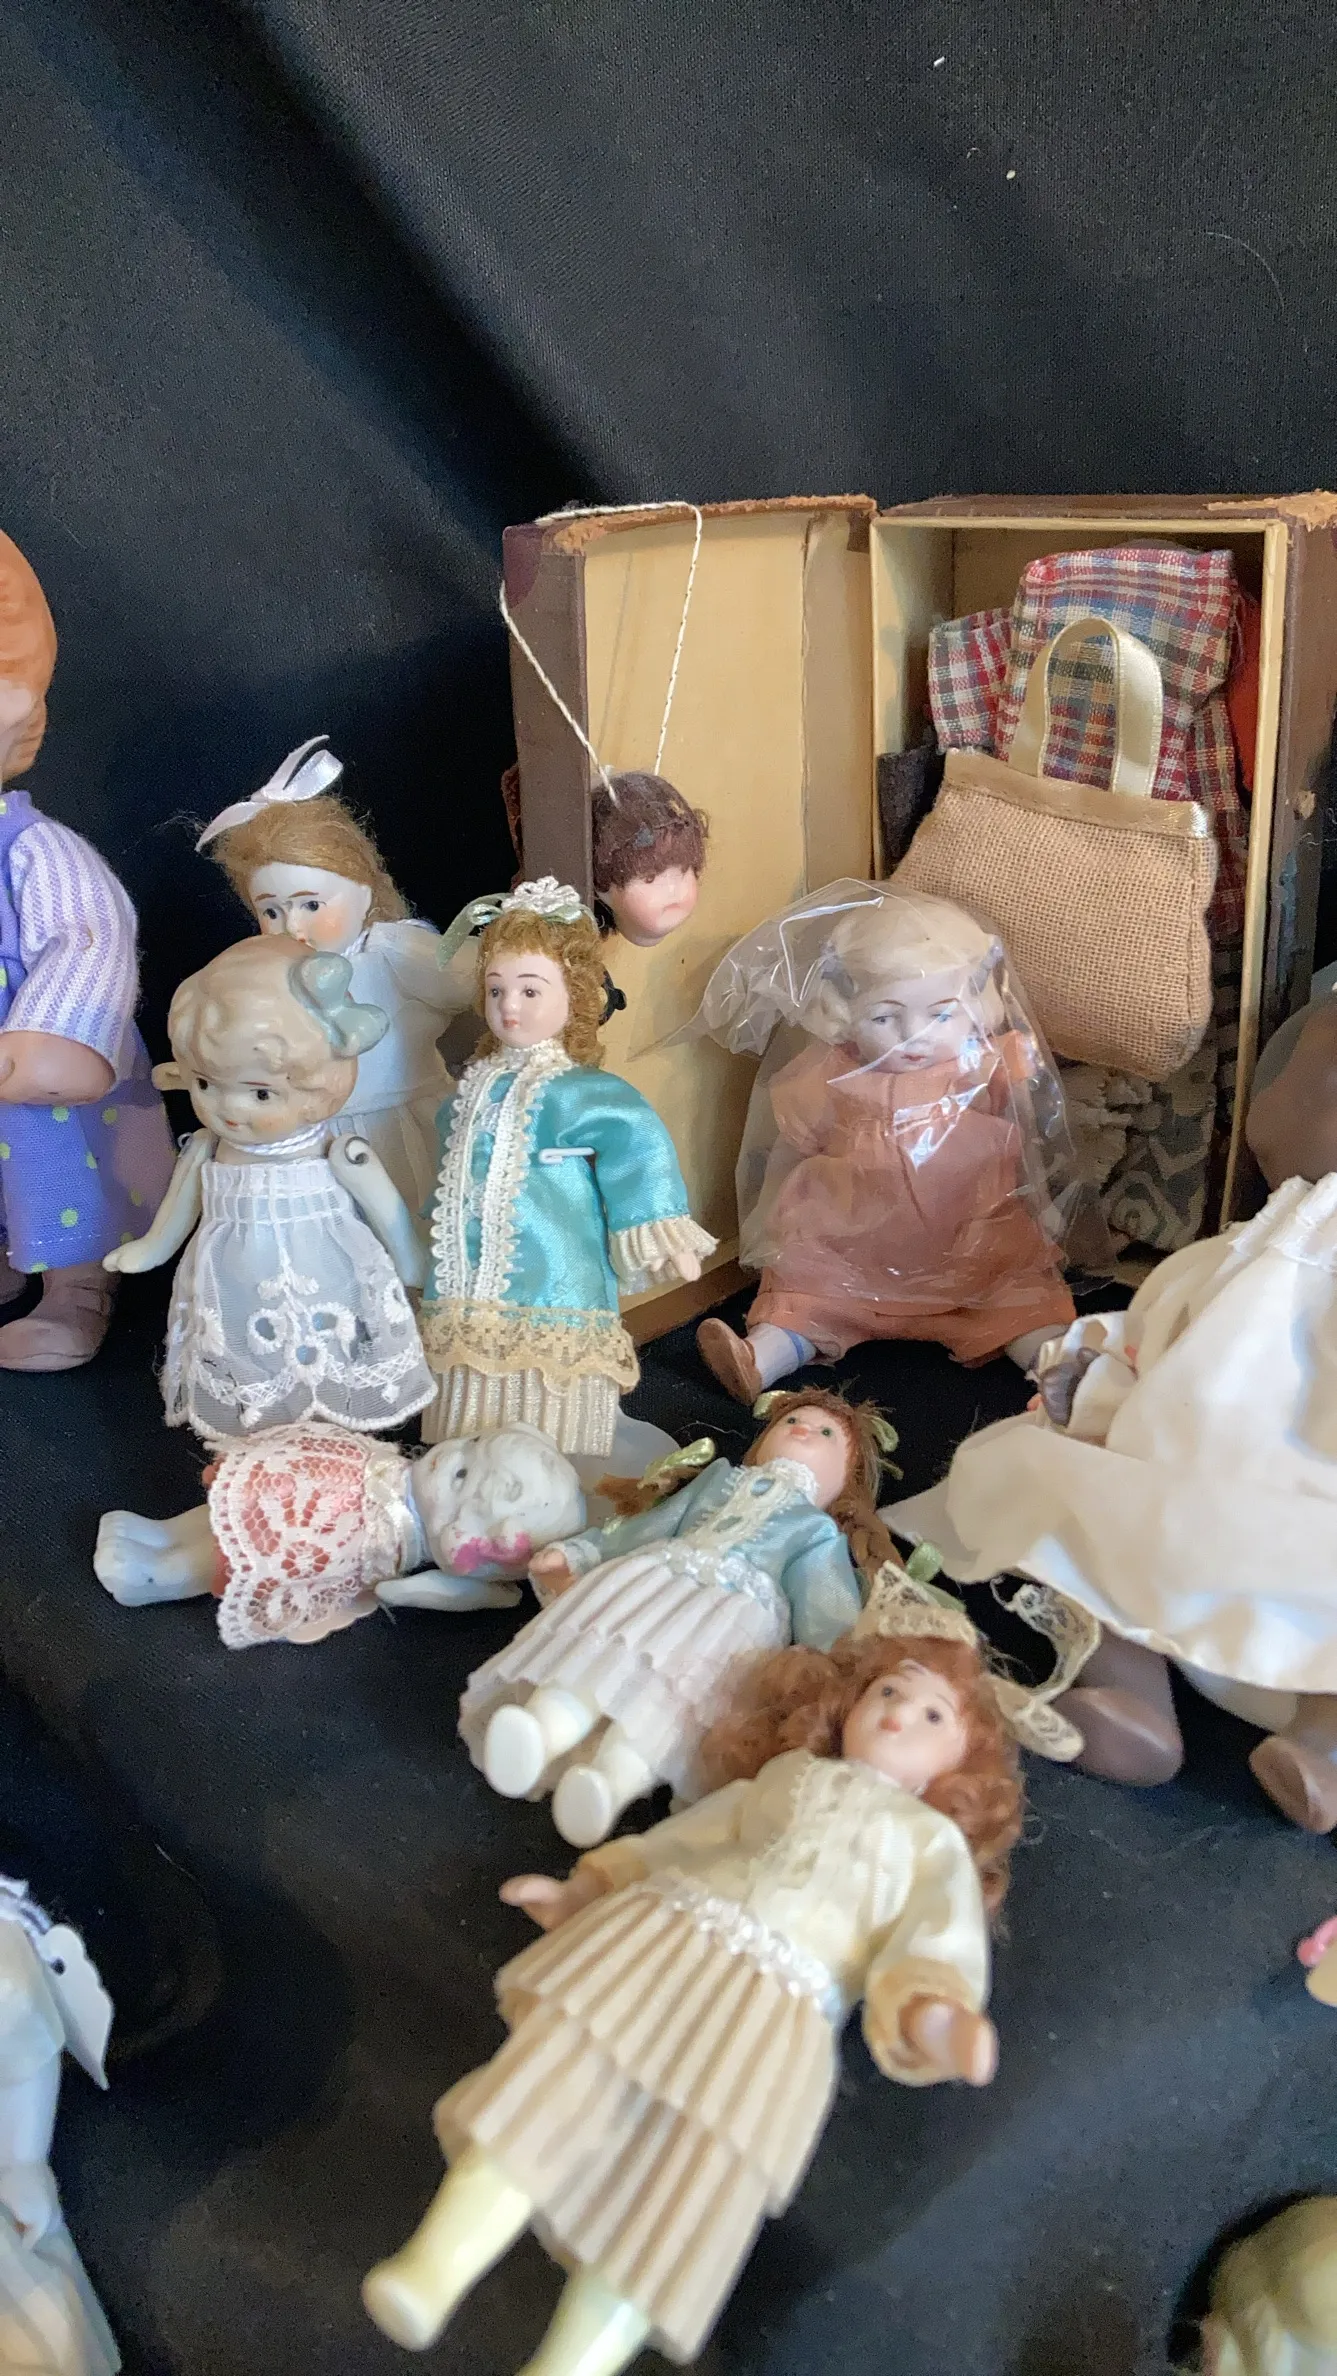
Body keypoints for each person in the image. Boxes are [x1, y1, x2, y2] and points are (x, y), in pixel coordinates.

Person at [362, 1624, 1022, 2375]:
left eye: (933, 1714)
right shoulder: (786, 1779)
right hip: (669, 1937)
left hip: (780, 2011)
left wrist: (935, 2016)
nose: (899, 1713)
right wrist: (584, 1892)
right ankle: (434, 2267)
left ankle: (570, 2365)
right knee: (551, 2084)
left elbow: (930, 1942)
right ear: (848, 1704)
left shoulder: (930, 1845)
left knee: (682, 2198)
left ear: (962, 1761)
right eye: (888, 1690)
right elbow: (681, 1842)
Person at [459, 1389, 889, 1846]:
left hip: (730, 1623)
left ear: (847, 1480)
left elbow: (826, 1611)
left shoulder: (816, 1531)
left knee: (671, 1707)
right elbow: (652, 1526)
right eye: (791, 1421)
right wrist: (584, 1551)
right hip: (654, 1579)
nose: (803, 1430)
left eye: (826, 1433)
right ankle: (540, 1730)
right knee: (600, 1654)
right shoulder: (719, 1479)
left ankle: (609, 1786)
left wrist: (835, 1673)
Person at [418, 877, 713, 1456]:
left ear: (573, 993)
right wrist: (436, 1223)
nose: (509, 1006)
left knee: (552, 1371)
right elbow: (452, 1170)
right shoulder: (468, 1091)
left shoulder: (583, 1093)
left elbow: (637, 1148)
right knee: (469, 1358)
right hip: (467, 1272)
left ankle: (558, 1451)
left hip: (556, 1258)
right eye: (497, 989)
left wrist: (658, 1229)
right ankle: (469, 1450)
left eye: (530, 990)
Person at [0, 528, 174, 1370]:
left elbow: (92, 935)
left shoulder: (33, 850)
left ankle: (76, 1292)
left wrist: (55, 1036)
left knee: (57, 1167)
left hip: (32, 1064)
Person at [198, 737, 474, 1211]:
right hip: (311, 1139)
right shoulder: (268, 971)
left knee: (415, 1216)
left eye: (311, 904)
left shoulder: (393, 951)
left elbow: (474, 978)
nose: (293, 926)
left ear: (364, 892)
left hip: (399, 1128)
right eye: (271, 911)